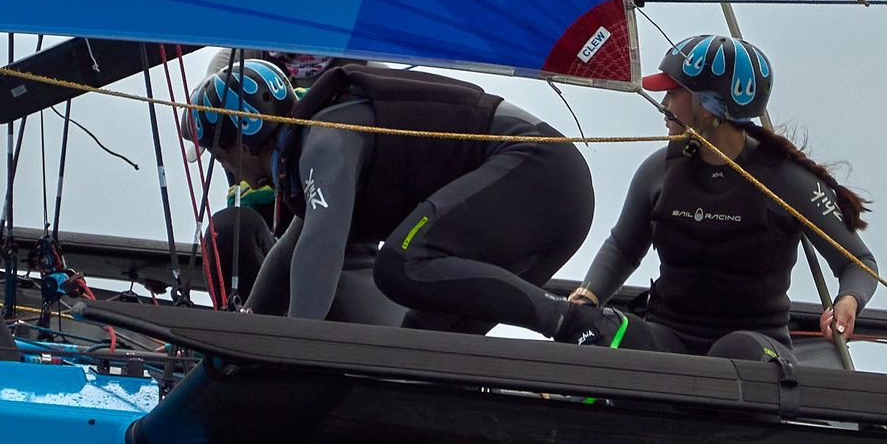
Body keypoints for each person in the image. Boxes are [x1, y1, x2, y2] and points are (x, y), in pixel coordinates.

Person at [186, 57, 595, 336]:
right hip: (553, 200)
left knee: (400, 263)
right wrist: (245, 327)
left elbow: (320, 246)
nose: (228, 170)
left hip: (539, 169)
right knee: (422, 346)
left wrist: (292, 346)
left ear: (239, 146)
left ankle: (577, 322)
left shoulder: (324, 143)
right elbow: (288, 254)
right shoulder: (315, 144)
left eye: (220, 156)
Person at [561, 34, 875, 361]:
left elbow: (859, 264)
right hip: (668, 337)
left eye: (672, 92)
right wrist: (587, 297)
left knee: (735, 350)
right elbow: (623, 248)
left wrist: (848, 301)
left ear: (710, 105)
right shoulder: (658, 170)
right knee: (605, 332)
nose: (664, 105)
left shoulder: (787, 180)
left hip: (757, 348)